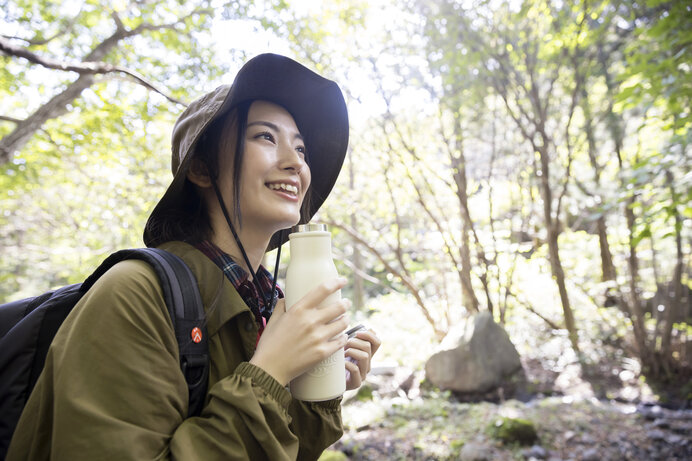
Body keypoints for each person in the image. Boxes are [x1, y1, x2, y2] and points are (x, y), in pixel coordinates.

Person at [7, 53, 381, 460]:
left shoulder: (264, 303)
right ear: (201, 169)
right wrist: (269, 373)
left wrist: (316, 386)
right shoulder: (134, 294)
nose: (295, 164)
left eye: (302, 148)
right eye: (265, 137)